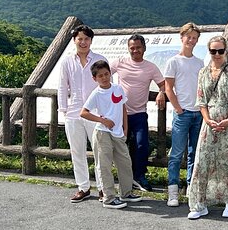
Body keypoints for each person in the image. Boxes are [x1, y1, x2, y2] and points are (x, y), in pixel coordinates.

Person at [187, 36, 228, 219]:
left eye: (220, 50)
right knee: (203, 161)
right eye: (213, 51)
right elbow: (201, 100)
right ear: (209, 52)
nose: (217, 54)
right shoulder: (203, 72)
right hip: (209, 123)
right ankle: (200, 203)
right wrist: (207, 120)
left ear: (225, 51)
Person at [80, 60, 142, 209]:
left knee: (125, 163)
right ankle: (108, 198)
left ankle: (126, 193)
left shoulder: (117, 88)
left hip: (118, 132)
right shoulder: (96, 93)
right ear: (94, 78)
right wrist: (102, 120)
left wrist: (125, 128)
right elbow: (83, 113)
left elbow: (123, 109)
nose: (104, 77)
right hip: (102, 133)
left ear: (110, 73)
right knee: (104, 165)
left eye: (106, 74)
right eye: (100, 76)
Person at [110, 34, 166, 192]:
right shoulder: (120, 62)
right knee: (120, 145)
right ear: (128, 48)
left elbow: (163, 84)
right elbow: (104, 74)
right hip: (120, 112)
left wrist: (161, 92)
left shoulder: (150, 67)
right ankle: (124, 177)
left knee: (142, 144)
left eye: (138, 47)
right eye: (132, 48)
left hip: (140, 113)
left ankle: (139, 176)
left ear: (144, 48)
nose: (135, 50)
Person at [57, 25, 105, 203]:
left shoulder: (100, 59)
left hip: (96, 113)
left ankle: (102, 188)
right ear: (74, 40)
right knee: (77, 151)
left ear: (91, 41)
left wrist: (106, 112)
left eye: (86, 39)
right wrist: (63, 110)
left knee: (99, 151)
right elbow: (62, 87)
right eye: (80, 39)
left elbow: (107, 86)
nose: (83, 42)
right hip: (74, 112)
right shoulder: (67, 61)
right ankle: (83, 187)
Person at [164, 22, 204, 207]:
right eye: (188, 37)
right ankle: (173, 190)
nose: (191, 40)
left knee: (194, 153)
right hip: (182, 114)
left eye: (194, 37)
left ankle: (190, 187)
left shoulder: (199, 62)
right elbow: (168, 88)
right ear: (182, 37)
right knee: (176, 154)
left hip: (198, 113)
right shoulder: (173, 61)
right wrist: (178, 109)